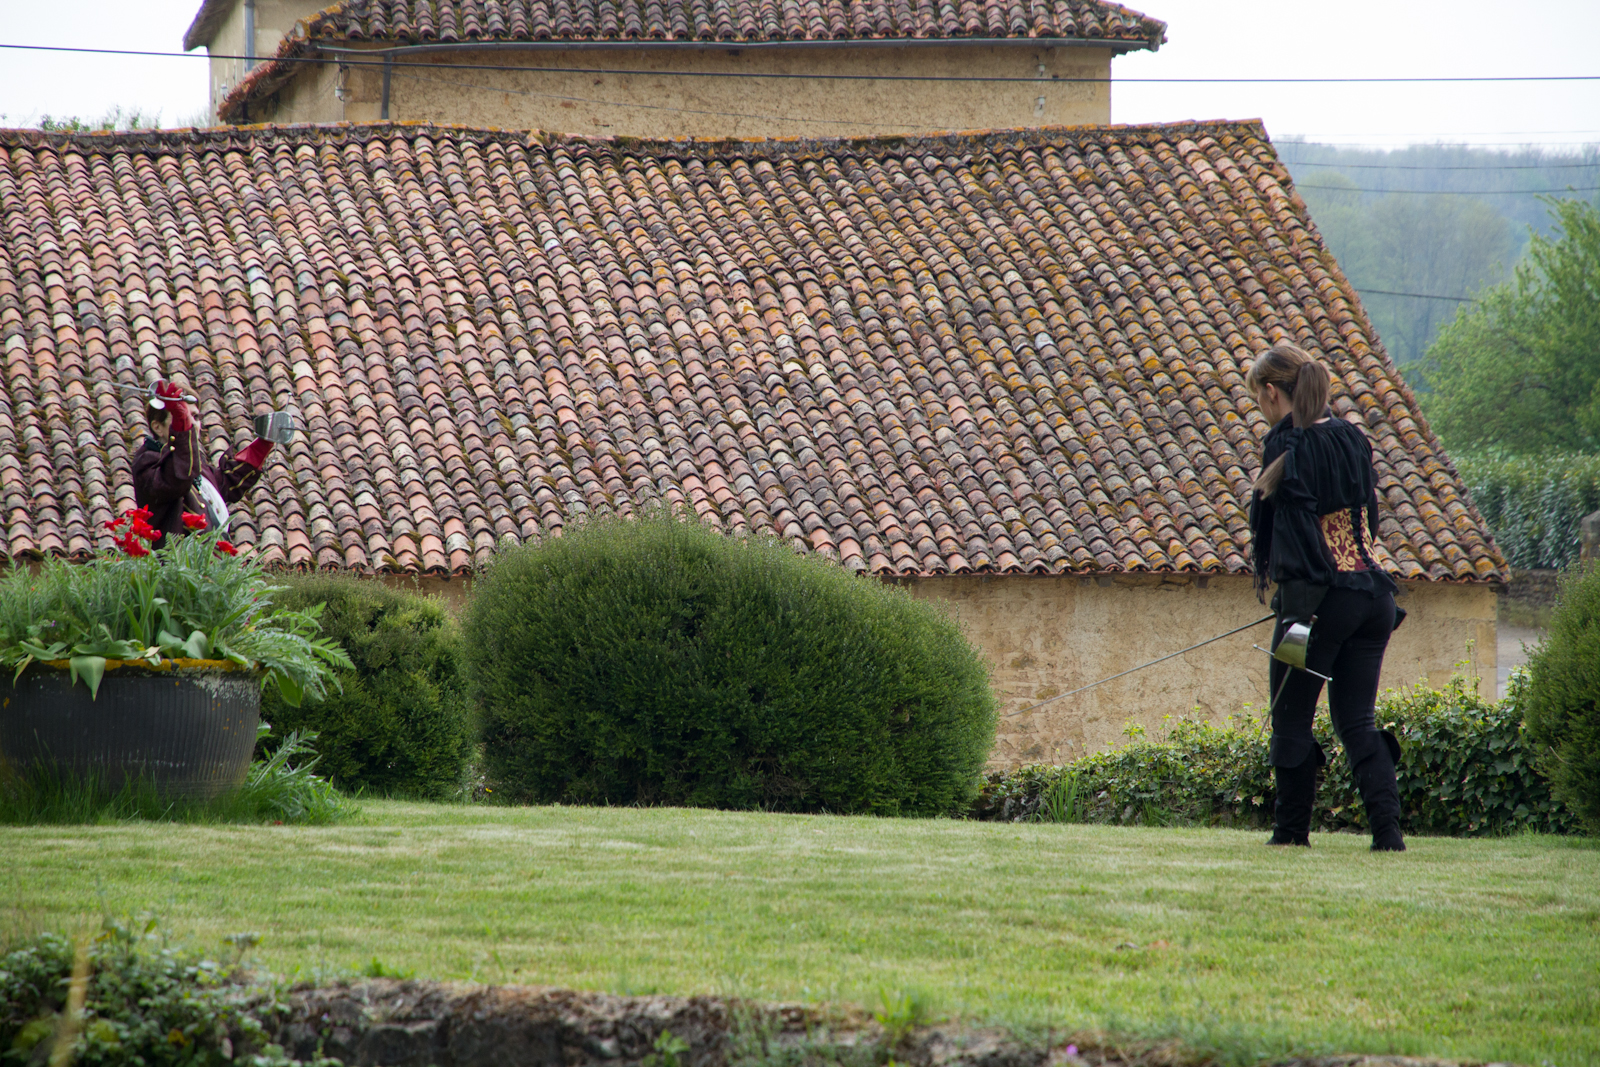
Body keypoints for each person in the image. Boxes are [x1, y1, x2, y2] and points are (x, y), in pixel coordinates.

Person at [1247, 342, 1406, 852]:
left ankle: (1290, 833)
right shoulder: (1352, 437)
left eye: (1258, 399)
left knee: (1290, 715)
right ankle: (1388, 835)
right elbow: (1368, 521)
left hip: (1315, 610)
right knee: (1357, 721)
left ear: (1272, 393)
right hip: (1374, 600)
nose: (1260, 409)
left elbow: (1294, 540)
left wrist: (1295, 614)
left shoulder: (1287, 445)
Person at [131, 380, 274, 549]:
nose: (192, 424)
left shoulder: (196, 466)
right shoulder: (148, 463)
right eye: (181, 416)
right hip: (179, 564)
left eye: (195, 417)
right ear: (157, 427)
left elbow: (227, 482)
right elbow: (176, 481)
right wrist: (182, 429)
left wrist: (263, 444)